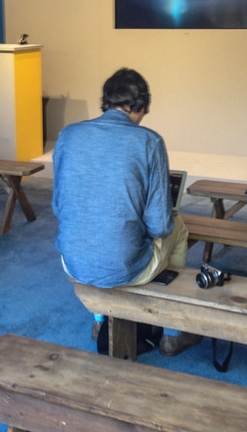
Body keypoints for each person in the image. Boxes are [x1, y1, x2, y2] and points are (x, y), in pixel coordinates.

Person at [53, 67, 202, 357]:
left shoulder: (68, 135)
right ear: (142, 105)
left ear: (106, 101)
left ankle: (99, 320)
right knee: (179, 227)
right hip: (126, 268)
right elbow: (159, 226)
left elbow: (59, 207)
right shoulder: (149, 141)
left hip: (72, 262)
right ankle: (172, 333)